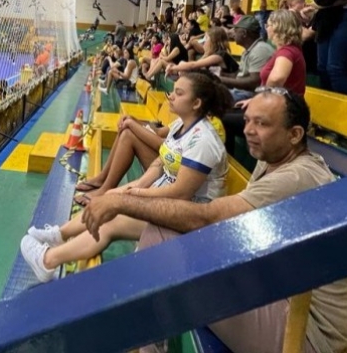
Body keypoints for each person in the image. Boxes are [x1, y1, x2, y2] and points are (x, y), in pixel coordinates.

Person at [83, 90, 347, 353]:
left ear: (295, 135)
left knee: (163, 234)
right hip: (281, 289)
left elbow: (206, 218)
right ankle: (147, 341)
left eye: (262, 123)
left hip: (307, 335)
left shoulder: (297, 176)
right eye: (248, 120)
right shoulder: (273, 158)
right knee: (167, 246)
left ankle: (146, 343)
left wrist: (120, 202)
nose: (249, 131)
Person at [22, 71, 233, 283]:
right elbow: (161, 162)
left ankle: (48, 261)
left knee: (111, 221)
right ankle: (59, 235)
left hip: (185, 217)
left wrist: (136, 195)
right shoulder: (181, 125)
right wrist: (133, 187)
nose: (171, 96)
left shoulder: (203, 141)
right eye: (173, 91)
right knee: (109, 197)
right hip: (165, 201)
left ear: (196, 103)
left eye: (179, 93)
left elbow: (181, 192)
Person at [223, 10, 306, 153]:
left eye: (269, 24)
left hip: (284, 112)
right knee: (226, 112)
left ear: (279, 27)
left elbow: (277, 78)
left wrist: (260, 99)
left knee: (224, 118)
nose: (266, 27)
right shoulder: (287, 50)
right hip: (278, 107)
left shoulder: (287, 52)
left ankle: (225, 165)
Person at [219, 15, 274, 102]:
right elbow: (242, 75)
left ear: (244, 33)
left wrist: (221, 80)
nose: (233, 33)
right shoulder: (251, 49)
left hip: (249, 95)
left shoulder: (260, 50)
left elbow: (254, 82)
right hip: (241, 92)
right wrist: (221, 75)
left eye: (236, 30)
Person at [167, 27, 239, 77]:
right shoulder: (210, 54)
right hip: (217, 85)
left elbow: (193, 65)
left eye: (206, 38)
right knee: (183, 66)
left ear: (214, 41)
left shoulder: (220, 55)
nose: (203, 41)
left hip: (228, 90)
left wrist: (174, 67)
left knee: (184, 68)